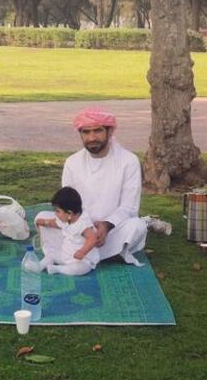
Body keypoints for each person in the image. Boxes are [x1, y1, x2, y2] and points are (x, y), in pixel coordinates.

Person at [35, 106, 148, 267]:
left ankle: (74, 255)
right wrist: (84, 228)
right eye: (86, 132)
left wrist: (107, 225)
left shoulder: (129, 161)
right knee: (41, 217)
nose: (92, 137)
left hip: (112, 229)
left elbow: (129, 207)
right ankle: (103, 254)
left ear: (109, 132)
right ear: (80, 134)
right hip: (78, 228)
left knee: (137, 226)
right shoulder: (72, 162)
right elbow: (67, 204)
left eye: (98, 131)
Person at [35, 186, 98, 276]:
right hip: (65, 254)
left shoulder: (83, 223)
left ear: (69, 213)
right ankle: (40, 265)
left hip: (81, 259)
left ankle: (57, 269)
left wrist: (82, 252)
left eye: (57, 211)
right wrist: (44, 222)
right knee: (51, 254)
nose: (56, 214)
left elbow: (92, 239)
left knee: (80, 269)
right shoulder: (65, 219)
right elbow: (55, 223)